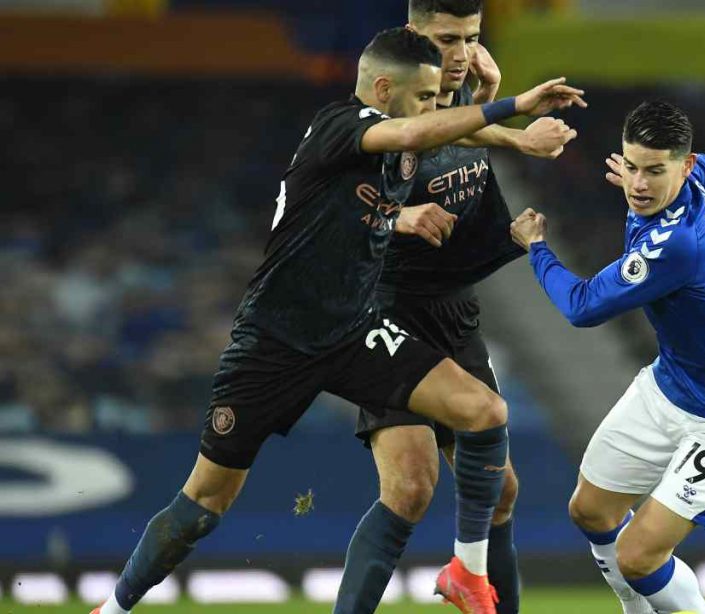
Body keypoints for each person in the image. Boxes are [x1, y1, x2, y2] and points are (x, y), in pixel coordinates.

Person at [91, 26, 585, 614]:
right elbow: (417, 130)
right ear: (383, 89)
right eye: (426, 97)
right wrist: (514, 106)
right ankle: (115, 608)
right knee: (202, 507)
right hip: (274, 340)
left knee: (484, 410)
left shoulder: (404, 145)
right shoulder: (340, 126)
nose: (435, 107)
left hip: (354, 331)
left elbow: (447, 140)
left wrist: (507, 131)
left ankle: (467, 570)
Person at [337, 2, 579, 613]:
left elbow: (456, 141)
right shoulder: (383, 111)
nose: (462, 52)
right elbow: (335, 209)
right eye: (447, 38)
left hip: (454, 313)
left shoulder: (458, 100)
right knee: (412, 486)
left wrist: (499, 118)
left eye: (471, 37)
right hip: (388, 316)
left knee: (500, 491)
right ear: (413, 35)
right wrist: (509, 120)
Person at [509, 100, 705, 614]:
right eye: (631, 166)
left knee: (637, 557)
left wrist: (537, 247)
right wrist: (664, 174)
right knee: (591, 510)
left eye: (655, 170)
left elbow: (583, 307)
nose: (638, 184)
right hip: (669, 385)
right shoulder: (696, 180)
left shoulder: (676, 244)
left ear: (685, 165)